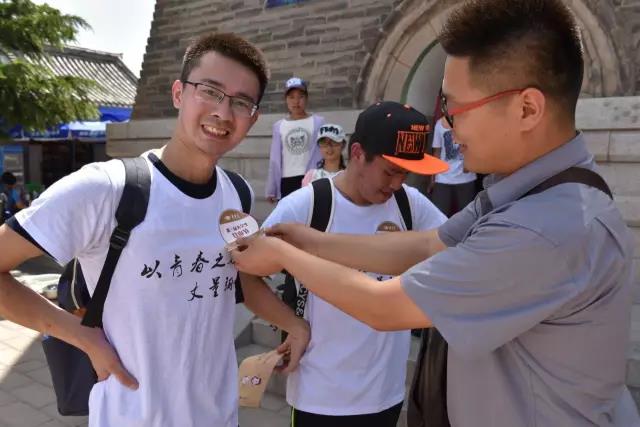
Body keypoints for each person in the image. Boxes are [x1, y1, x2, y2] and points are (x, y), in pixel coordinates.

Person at [230, 1, 640, 426]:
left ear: (527, 109)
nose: (449, 126)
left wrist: (285, 255)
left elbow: (384, 307)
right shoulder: (521, 193)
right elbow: (428, 245)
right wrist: (310, 240)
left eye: (455, 109)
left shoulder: (546, 229)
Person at [0, 33, 309, 427]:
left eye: (240, 102)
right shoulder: (105, 189)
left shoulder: (237, 194)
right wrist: (79, 335)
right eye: (210, 91)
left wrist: (293, 324)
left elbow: (240, 278)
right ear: (179, 93)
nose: (223, 112)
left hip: (218, 415)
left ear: (253, 117)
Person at [259, 101, 447, 427]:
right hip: (319, 395)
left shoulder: (410, 205)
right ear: (358, 153)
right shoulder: (308, 205)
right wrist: (293, 325)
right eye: (390, 170)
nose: (397, 184)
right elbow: (246, 271)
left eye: (405, 173)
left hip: (385, 394)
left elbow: (453, 251)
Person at [266, 77, 325, 202]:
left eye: (300, 97)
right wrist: (272, 188)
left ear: (306, 98)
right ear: (286, 100)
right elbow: (275, 159)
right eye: (291, 97)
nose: (296, 101)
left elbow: (324, 152)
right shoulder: (279, 126)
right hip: (287, 179)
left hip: (312, 178)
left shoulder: (318, 122)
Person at [428, 118, 477, 217]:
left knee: (466, 217)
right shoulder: (440, 124)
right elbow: (437, 152)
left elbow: (476, 146)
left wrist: (469, 165)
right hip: (443, 178)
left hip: (466, 178)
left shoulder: (470, 121)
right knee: (439, 215)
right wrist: (433, 177)